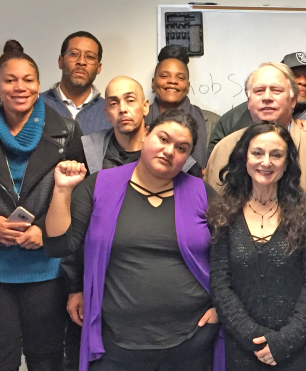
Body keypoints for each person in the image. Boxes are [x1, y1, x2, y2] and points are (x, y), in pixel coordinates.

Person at [43, 109, 223, 371]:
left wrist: (221, 307)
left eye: (181, 148)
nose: (170, 151)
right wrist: (62, 190)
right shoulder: (100, 185)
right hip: (117, 344)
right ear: (146, 134)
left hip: (192, 342)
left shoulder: (202, 193)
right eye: (163, 139)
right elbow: (58, 245)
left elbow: (228, 256)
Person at [0, 40, 86, 371]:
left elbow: (79, 195)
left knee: (46, 358)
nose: (20, 87)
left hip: (46, 268)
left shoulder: (66, 131)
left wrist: (46, 231)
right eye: (11, 79)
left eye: (28, 79)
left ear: (39, 84)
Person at [208, 121, 306, 370]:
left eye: (276, 154)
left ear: (287, 163)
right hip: (244, 351)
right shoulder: (225, 212)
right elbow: (220, 284)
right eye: (257, 153)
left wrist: (284, 342)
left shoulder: (304, 209)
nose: (266, 162)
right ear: (244, 158)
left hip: (299, 349)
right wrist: (255, 339)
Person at [205, 63, 306, 191]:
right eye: (259, 91)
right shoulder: (224, 148)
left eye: (276, 90)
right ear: (248, 102)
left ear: (293, 101)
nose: (267, 97)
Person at [82, 75, 203, 176]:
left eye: (130, 100)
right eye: (114, 103)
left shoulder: (174, 157)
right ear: (107, 113)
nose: (122, 109)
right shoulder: (89, 151)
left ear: (145, 107)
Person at [207, 52, 306, 158]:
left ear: (293, 100)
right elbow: (214, 163)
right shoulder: (233, 120)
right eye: (295, 76)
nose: (303, 82)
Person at [147, 45, 215, 169]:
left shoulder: (212, 122)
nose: (173, 81)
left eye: (180, 77)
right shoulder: (139, 121)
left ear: (188, 86)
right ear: (153, 83)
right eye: (164, 76)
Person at [39, 31, 110, 135]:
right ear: (60, 61)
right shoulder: (35, 105)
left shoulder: (110, 112)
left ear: (99, 68)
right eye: (73, 54)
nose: (81, 62)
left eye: (90, 56)